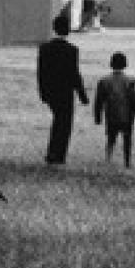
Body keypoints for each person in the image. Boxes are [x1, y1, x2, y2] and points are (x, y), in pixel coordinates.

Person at [36, 13, 88, 165]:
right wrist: (82, 94)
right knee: (64, 123)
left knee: (58, 120)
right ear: (68, 31)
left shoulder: (45, 49)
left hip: (51, 91)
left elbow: (41, 72)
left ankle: (53, 152)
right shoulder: (72, 50)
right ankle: (58, 154)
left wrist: (42, 92)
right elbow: (74, 74)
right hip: (65, 92)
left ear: (54, 29)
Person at [92, 50, 135, 168]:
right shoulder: (131, 81)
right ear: (125, 64)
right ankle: (127, 161)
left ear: (111, 64)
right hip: (127, 114)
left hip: (111, 114)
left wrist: (97, 116)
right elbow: (134, 100)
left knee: (111, 137)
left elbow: (99, 101)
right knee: (127, 138)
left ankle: (108, 158)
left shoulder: (104, 81)